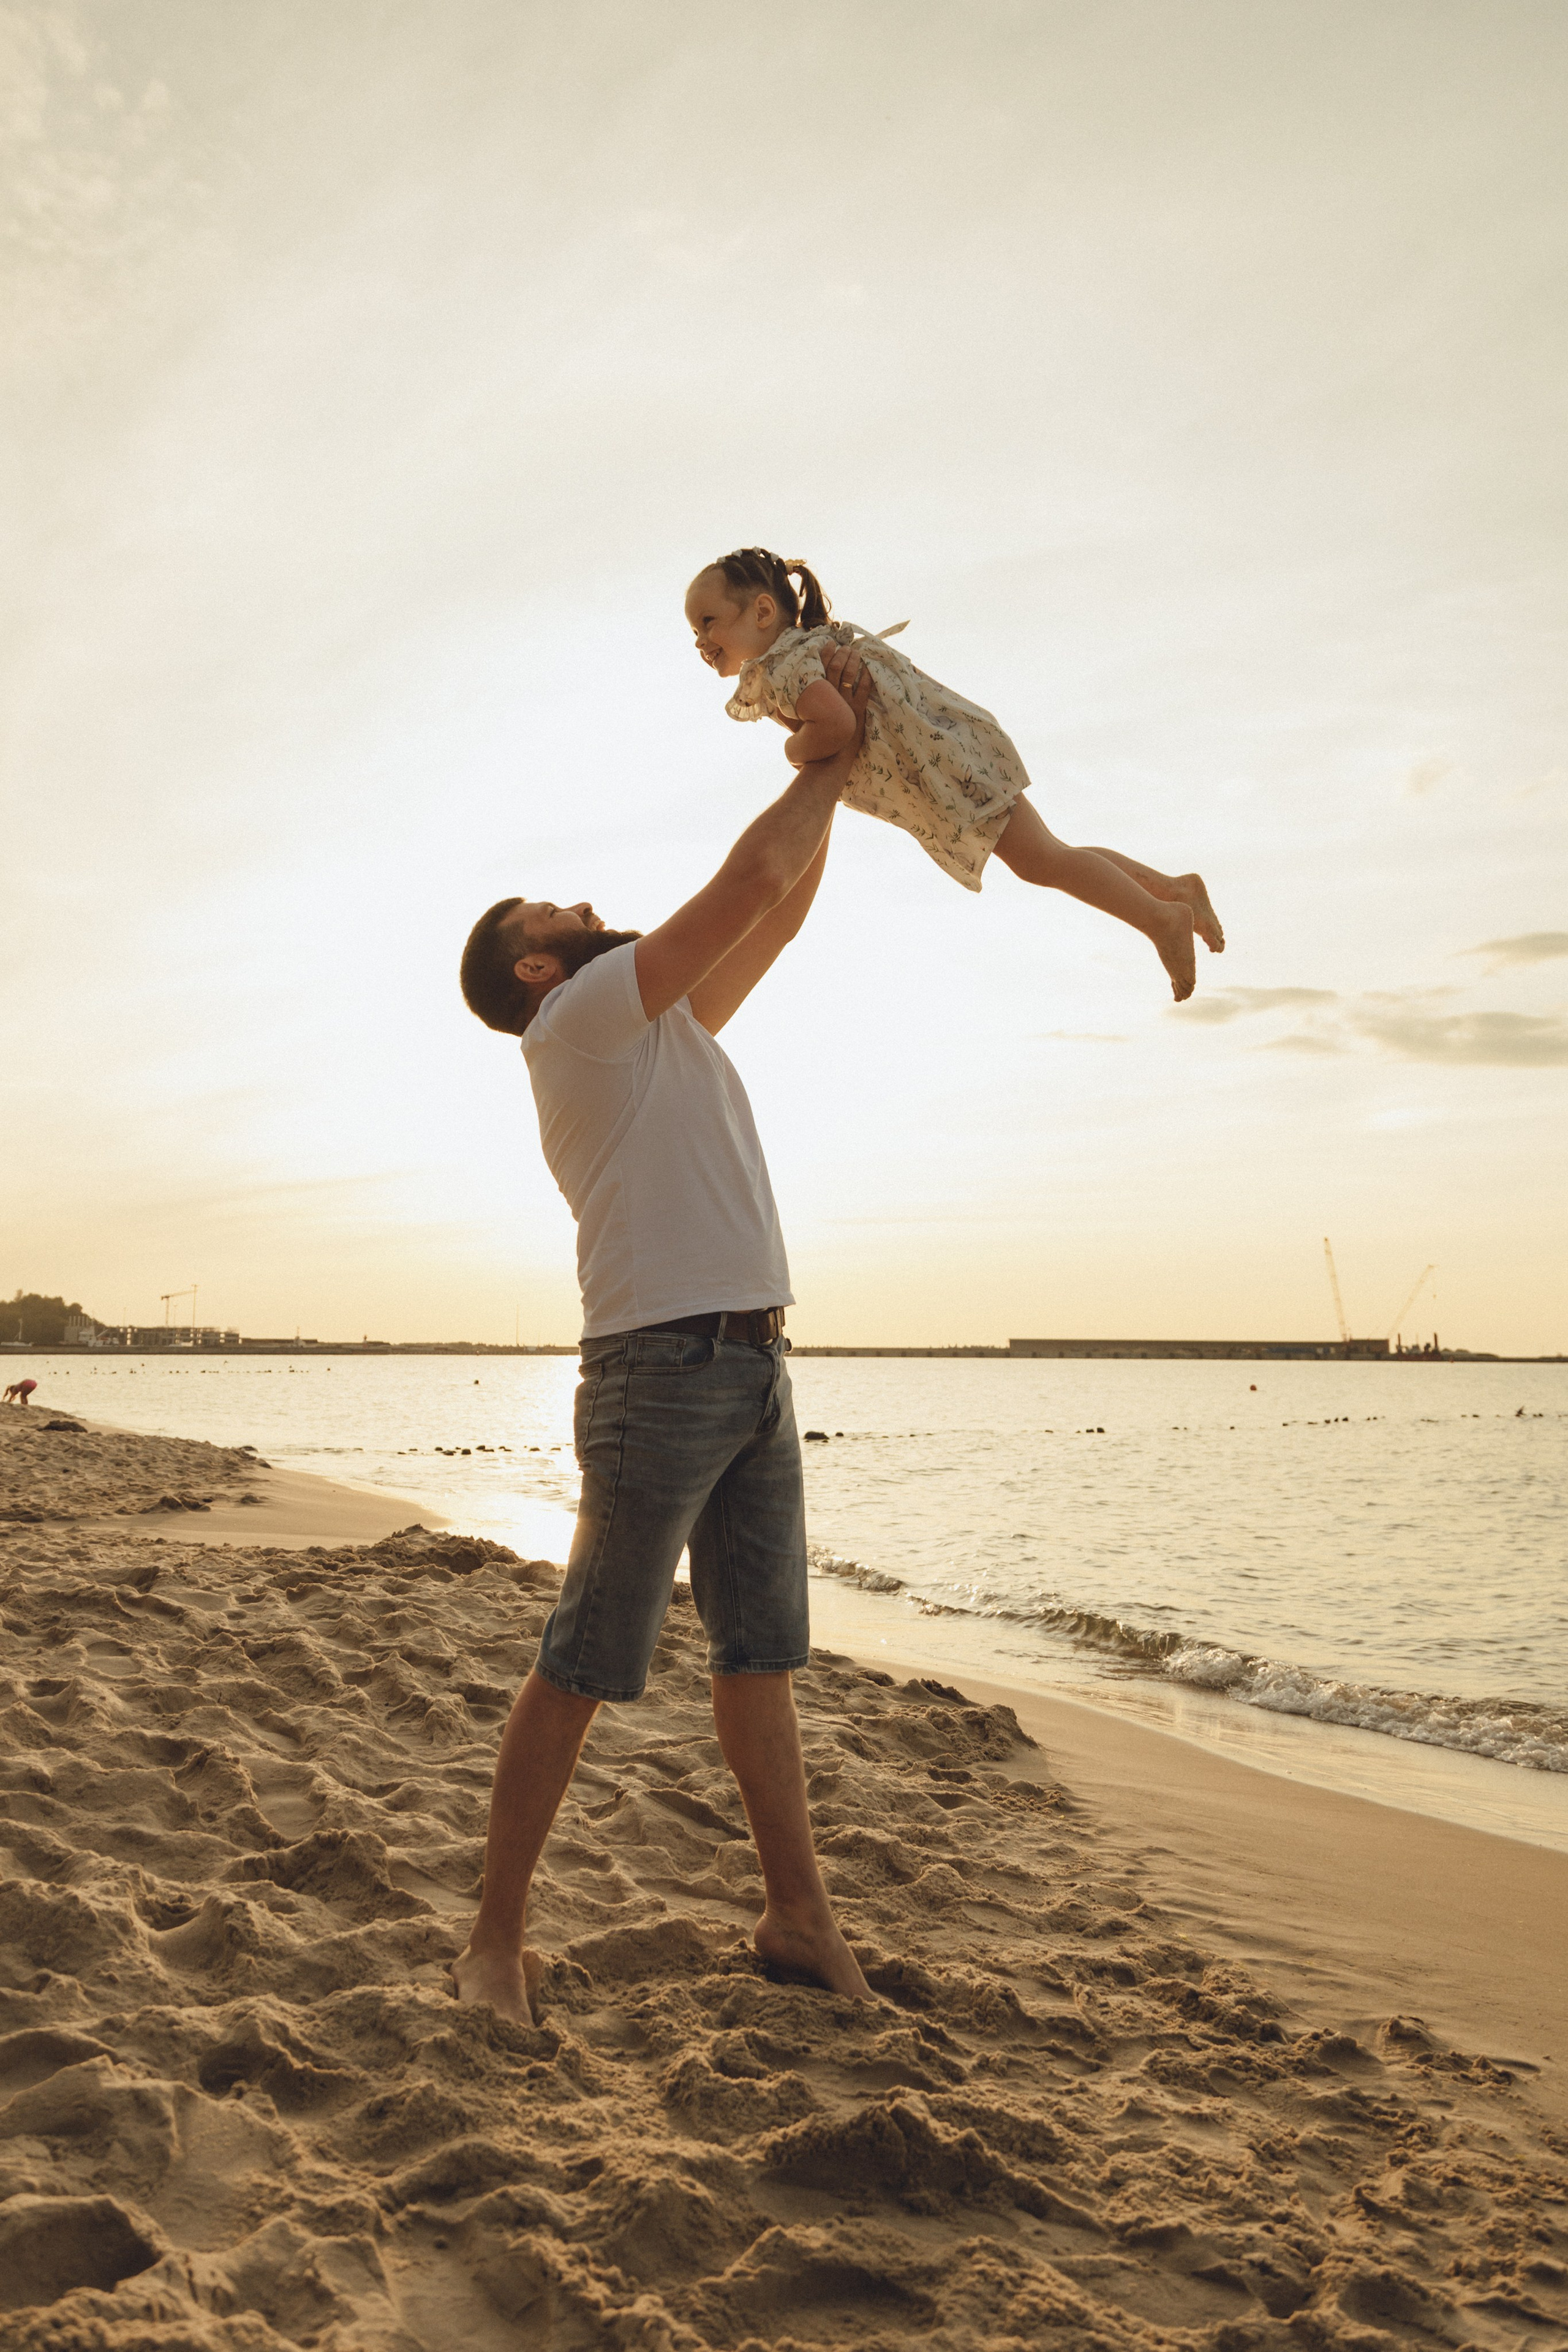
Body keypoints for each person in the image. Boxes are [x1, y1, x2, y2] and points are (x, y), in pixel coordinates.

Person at [453, 642, 876, 2024]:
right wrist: (820, 761)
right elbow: (748, 879)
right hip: (658, 1366)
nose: (585, 900)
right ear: (537, 958)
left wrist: (844, 764)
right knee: (584, 1656)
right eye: (556, 903)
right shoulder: (576, 1020)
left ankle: (795, 1914)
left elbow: (783, 913)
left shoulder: (659, 1021)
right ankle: (494, 1943)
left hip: (751, 1358)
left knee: (758, 1653)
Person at [685, 545, 1225, 1002]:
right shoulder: (800, 652)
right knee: (1049, 853)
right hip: (953, 751)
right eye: (693, 630)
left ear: (760, 613)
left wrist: (795, 750)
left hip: (946, 769)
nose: (700, 639)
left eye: (708, 621)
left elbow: (837, 724)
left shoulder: (783, 666)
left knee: (1044, 861)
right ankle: (1173, 890)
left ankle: (1161, 919)